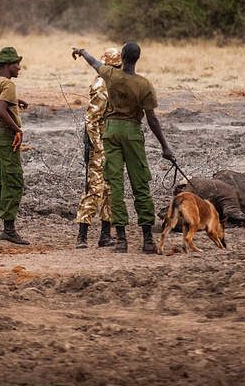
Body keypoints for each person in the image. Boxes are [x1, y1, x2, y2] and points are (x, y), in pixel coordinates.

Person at [72, 42, 175, 253]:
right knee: (140, 186)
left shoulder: (110, 76)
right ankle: (147, 239)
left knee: (114, 187)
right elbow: (152, 119)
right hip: (130, 133)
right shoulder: (144, 84)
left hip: (111, 134)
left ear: (124, 58)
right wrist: (165, 147)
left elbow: (94, 63)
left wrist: (82, 51)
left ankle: (120, 239)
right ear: (137, 58)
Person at [0, 47, 30, 245]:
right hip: (5, 136)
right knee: (14, 181)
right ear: (8, 66)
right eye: (17, 64)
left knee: (1, 181)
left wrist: (14, 102)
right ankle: (8, 229)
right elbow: (1, 111)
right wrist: (17, 129)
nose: (19, 68)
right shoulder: (8, 84)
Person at [74, 47, 121, 249]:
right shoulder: (103, 85)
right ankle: (82, 237)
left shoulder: (112, 82)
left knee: (110, 190)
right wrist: (98, 147)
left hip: (110, 144)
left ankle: (105, 235)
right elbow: (91, 120)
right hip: (101, 146)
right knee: (95, 189)